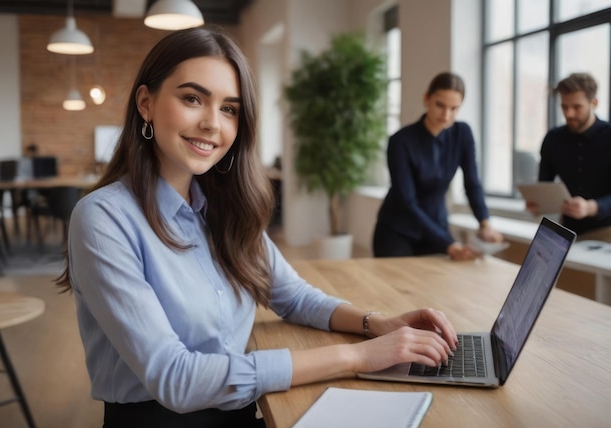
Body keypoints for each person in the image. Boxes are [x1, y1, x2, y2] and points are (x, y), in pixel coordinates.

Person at [55, 26, 459, 427]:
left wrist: (376, 324)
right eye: (193, 98)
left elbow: (293, 296)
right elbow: (175, 380)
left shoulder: (225, 209)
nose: (213, 123)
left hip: (244, 411)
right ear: (146, 103)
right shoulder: (103, 218)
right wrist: (356, 358)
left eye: (229, 108)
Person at [373, 72, 503, 261]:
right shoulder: (400, 141)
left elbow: (472, 183)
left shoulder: (463, 134)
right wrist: (448, 243)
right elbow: (407, 201)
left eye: (454, 108)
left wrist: (485, 224)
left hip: (436, 224)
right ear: (427, 99)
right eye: (440, 105)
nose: (446, 115)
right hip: (398, 229)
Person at [528, 72, 611, 241]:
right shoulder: (552, 139)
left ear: (593, 103)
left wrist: (591, 207)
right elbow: (544, 184)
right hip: (565, 232)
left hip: (606, 230)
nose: (569, 114)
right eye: (564, 107)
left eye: (576, 107)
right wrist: (538, 203)